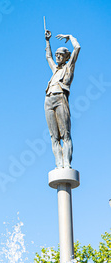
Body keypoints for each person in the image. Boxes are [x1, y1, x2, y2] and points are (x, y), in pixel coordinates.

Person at [44, 30, 80, 169]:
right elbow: (48, 57)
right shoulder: (55, 70)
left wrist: (70, 36)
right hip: (48, 100)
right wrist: (48, 41)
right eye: (57, 54)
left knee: (65, 135)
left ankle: (67, 163)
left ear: (66, 57)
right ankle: (59, 164)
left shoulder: (69, 67)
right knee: (54, 137)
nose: (57, 56)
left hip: (60, 98)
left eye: (61, 54)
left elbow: (77, 48)